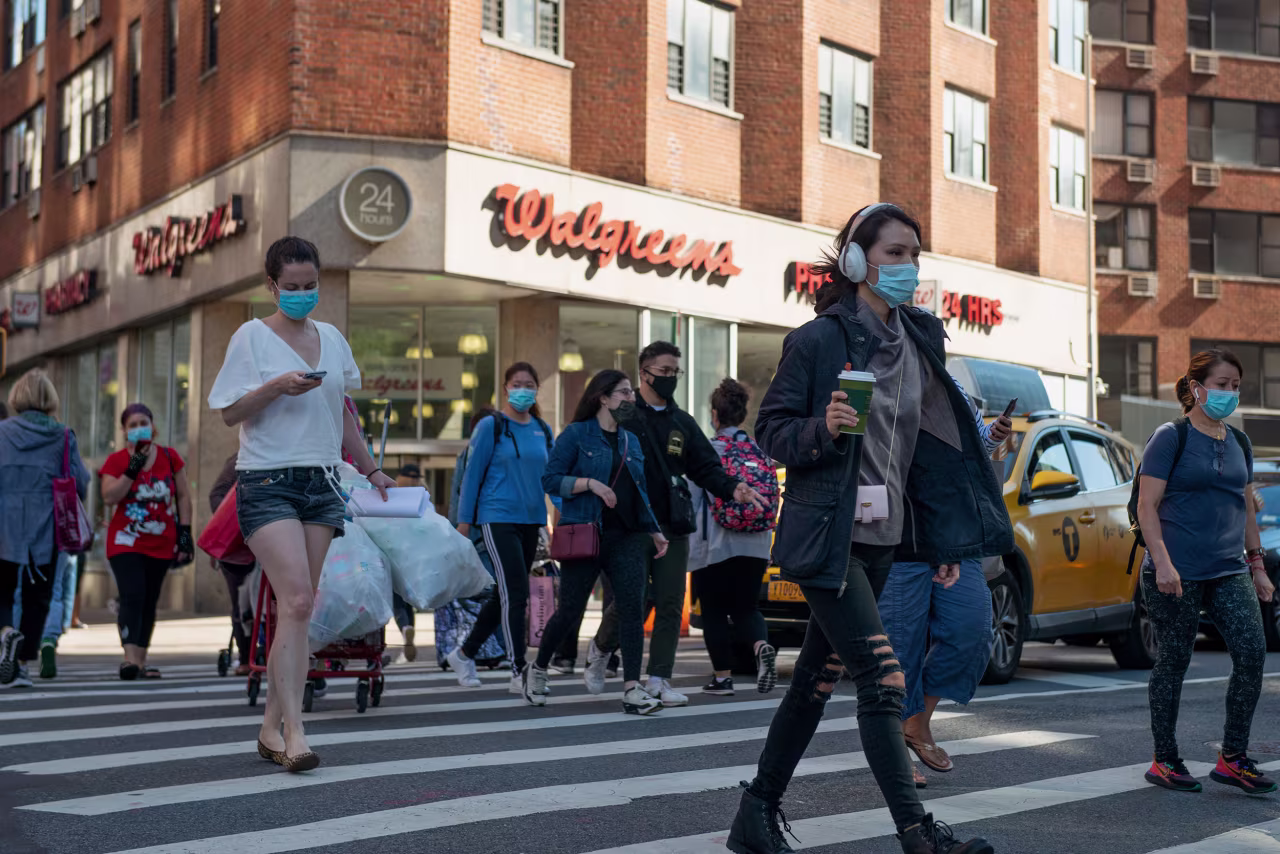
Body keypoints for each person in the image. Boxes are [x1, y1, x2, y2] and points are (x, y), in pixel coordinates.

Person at [726, 203, 1009, 854]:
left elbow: (926, 450)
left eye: (915, 254)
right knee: (884, 678)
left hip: (886, 539)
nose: (908, 266)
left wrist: (942, 540)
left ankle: (756, 813)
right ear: (856, 260)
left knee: (813, 683)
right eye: (895, 253)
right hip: (828, 539)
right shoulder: (820, 340)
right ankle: (918, 834)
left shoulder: (918, 341)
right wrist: (821, 430)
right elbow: (770, 433)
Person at [208, 236, 393, 772]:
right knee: (293, 602)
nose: (302, 295)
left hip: (323, 481)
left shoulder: (332, 338)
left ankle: (269, 727)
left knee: (300, 609)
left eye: (310, 286)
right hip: (266, 482)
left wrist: (372, 468)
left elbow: (343, 416)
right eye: (291, 288)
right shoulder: (251, 337)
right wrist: (276, 388)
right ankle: (296, 734)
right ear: (271, 286)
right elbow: (228, 412)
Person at [584, 342, 765, 707]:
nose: (670, 379)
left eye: (675, 373)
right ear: (643, 373)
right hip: (630, 524)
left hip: (672, 524)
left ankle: (659, 678)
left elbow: (706, 468)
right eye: (664, 372)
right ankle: (602, 645)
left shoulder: (682, 422)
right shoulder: (623, 413)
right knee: (635, 599)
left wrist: (734, 488)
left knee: (668, 601)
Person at [1137, 349, 1276, 796]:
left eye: (1235, 386)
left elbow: (1245, 506)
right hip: (1175, 570)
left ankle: (1233, 757)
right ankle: (1165, 759)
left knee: (1253, 653)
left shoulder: (1240, 443)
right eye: (1221, 384)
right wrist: (1162, 562)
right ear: (1197, 387)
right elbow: (1147, 506)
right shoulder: (1170, 436)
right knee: (1174, 662)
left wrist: (1257, 567)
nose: (1229, 393)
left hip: (1228, 569)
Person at [879, 383, 1011, 787]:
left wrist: (995, 437)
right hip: (901, 535)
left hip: (954, 531)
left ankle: (917, 723)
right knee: (901, 649)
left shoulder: (955, 389)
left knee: (971, 629)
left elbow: (974, 449)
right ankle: (897, 759)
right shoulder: (885, 379)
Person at [525, 371, 668, 713]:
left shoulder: (631, 440)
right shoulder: (577, 435)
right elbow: (550, 479)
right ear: (602, 398)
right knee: (570, 610)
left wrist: (654, 529)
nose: (631, 399)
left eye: (631, 393)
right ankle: (539, 668)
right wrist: (590, 483)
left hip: (628, 537)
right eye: (623, 393)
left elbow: (640, 491)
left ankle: (632, 688)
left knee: (632, 609)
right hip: (587, 533)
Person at [448, 362, 552, 692]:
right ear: (506, 388)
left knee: (506, 593)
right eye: (517, 383)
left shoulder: (541, 428)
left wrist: (560, 518)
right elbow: (472, 477)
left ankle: (464, 654)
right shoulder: (492, 426)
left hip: (531, 518)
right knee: (517, 593)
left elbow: (551, 478)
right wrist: (464, 525)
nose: (523, 389)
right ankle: (519, 670)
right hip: (497, 516)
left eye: (529, 383)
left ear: (536, 389)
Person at [0, 370, 91, 689]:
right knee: (39, 597)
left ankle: (6, 633)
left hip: (3, 525)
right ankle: (21, 663)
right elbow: (79, 482)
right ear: (50, 398)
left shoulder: (1, 433)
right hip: (47, 526)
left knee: (2, 592)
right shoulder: (63, 435)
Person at [688, 378, 776, 697]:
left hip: (715, 544)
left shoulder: (708, 451)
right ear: (742, 414)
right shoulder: (759, 452)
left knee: (713, 610)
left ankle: (723, 679)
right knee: (746, 607)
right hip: (756, 541)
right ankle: (761, 645)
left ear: (715, 414)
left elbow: (694, 497)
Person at [98, 403, 194, 680]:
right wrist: (133, 468)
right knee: (133, 594)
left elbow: (184, 496)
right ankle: (129, 659)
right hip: (125, 541)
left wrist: (185, 536)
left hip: (161, 541)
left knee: (150, 599)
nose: (139, 427)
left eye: (144, 422)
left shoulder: (170, 456)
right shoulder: (116, 461)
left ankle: (140, 662)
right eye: (133, 424)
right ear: (124, 430)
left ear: (153, 426)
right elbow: (109, 497)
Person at [210, 452, 255, 677]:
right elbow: (216, 496)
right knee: (241, 603)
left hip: (265, 544)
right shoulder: (239, 460)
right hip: (237, 546)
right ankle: (246, 657)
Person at [392, 462, 423, 661]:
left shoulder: (392, 493)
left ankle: (404, 627)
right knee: (407, 600)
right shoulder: (420, 496)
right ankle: (409, 628)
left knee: (395, 600)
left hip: (392, 550)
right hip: (413, 555)